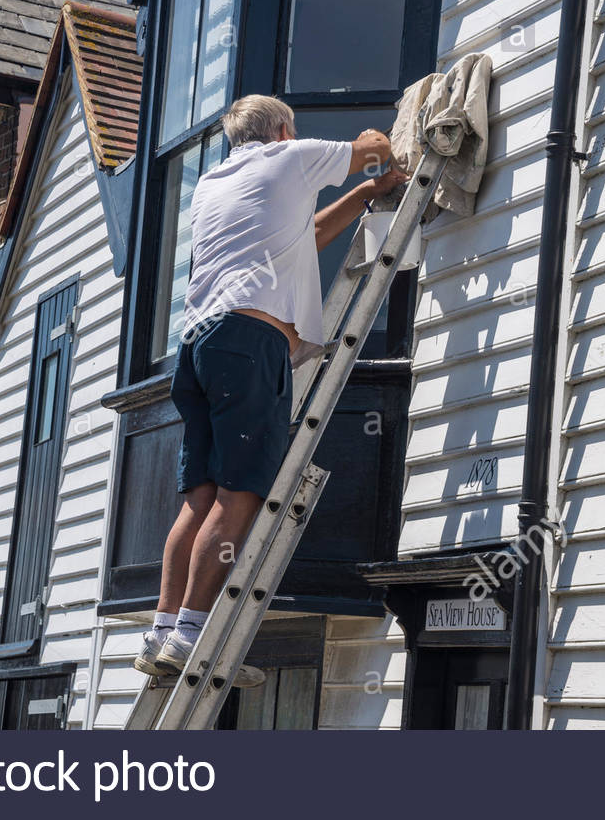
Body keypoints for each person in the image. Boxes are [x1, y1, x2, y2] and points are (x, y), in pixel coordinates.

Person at [135, 95, 406, 685]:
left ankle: (161, 633)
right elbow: (376, 149)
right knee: (242, 496)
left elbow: (301, 236)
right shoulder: (289, 157)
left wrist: (361, 195)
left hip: (199, 347)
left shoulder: (216, 183)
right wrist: (378, 151)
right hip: (248, 344)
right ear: (282, 129)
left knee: (200, 498)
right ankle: (190, 635)